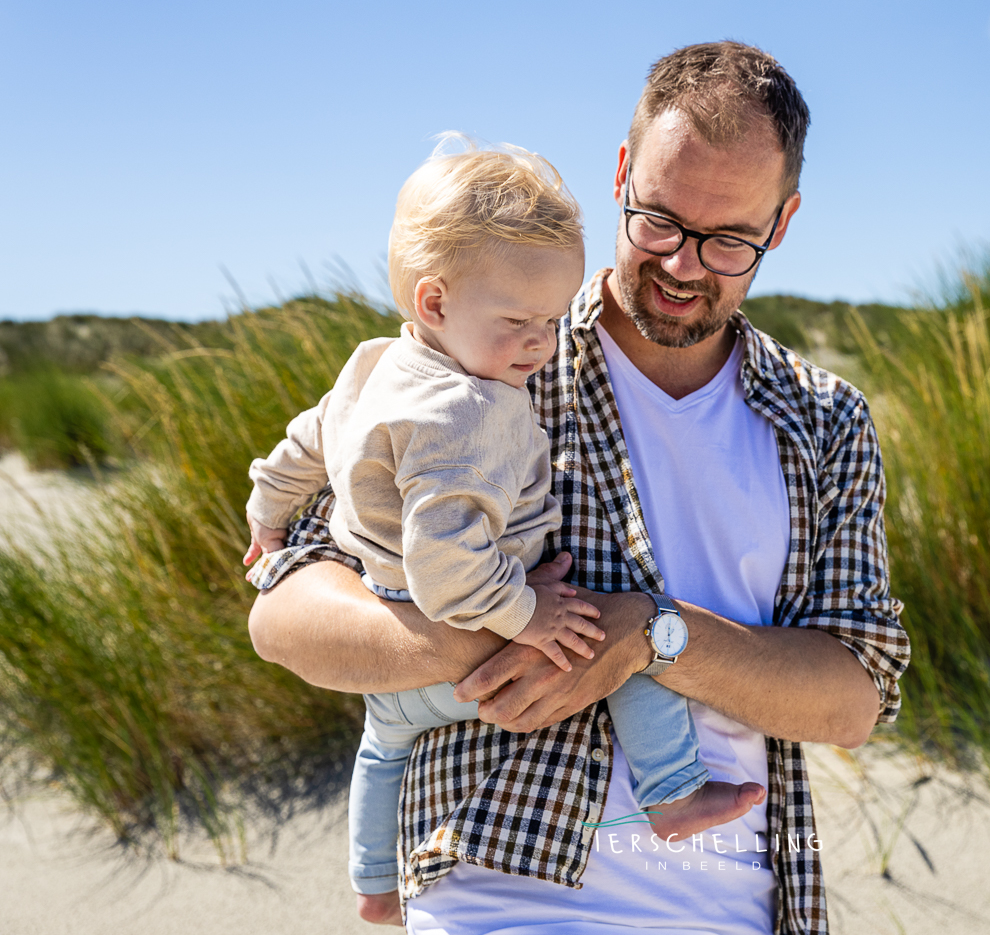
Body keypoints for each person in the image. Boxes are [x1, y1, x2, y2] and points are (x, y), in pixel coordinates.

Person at [248, 40, 911, 935]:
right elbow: (282, 618)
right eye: (661, 222)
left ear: (782, 224)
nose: (682, 265)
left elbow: (852, 698)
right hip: (498, 896)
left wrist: (648, 636)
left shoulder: (824, 421)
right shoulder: (488, 359)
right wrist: (482, 633)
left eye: (729, 240)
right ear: (622, 176)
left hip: (742, 911)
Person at [240, 141, 764, 922]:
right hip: (474, 630)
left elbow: (304, 444)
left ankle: (374, 885)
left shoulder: (370, 367)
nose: (540, 346)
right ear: (434, 303)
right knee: (629, 653)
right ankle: (672, 794)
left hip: (394, 667)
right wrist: (532, 615)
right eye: (518, 321)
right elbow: (447, 568)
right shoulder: (470, 412)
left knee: (383, 746)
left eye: (551, 322)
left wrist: (267, 514)